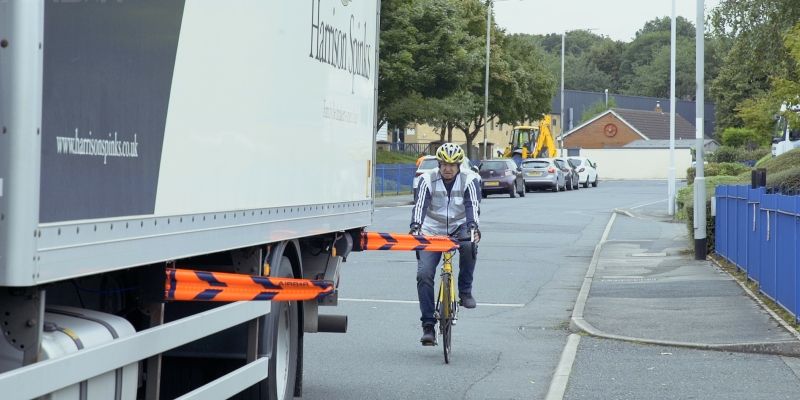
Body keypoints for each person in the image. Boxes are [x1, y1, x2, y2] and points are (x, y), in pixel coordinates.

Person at [409, 143, 481, 345]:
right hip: (431, 230)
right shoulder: (426, 179)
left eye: (452, 165)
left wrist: (474, 226)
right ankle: (428, 326)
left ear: (459, 165)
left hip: (460, 227)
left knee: (469, 245)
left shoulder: (470, 179)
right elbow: (420, 205)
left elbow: (472, 205)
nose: (447, 168)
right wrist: (415, 226)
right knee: (424, 274)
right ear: (439, 164)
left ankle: (465, 292)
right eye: (444, 164)